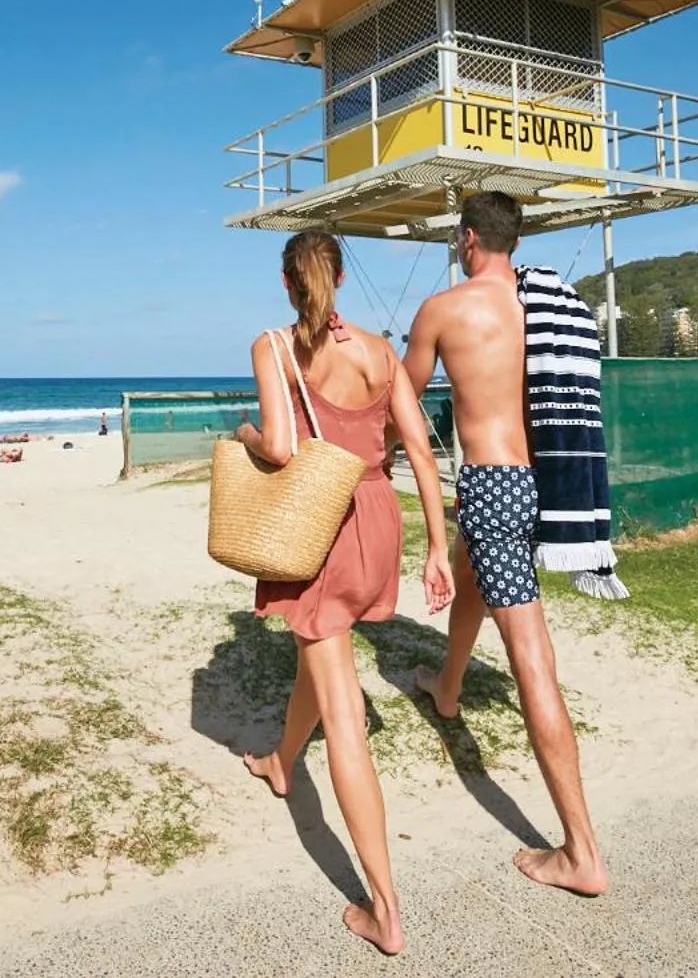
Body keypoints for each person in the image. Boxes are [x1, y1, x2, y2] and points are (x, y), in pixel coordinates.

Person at [237, 229, 453, 956]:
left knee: (346, 712)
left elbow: (279, 446)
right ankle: (278, 760)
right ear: (337, 278)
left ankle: (384, 908)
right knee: (318, 648)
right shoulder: (379, 351)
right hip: (379, 519)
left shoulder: (273, 345)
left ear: (286, 279)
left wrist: (242, 432)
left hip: (321, 525)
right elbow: (420, 449)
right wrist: (435, 551)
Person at [401, 190, 610, 899]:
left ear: (467, 239)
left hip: (488, 485)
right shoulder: (542, 307)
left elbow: (402, 400)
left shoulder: (444, 309)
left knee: (532, 662)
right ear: (512, 241)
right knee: (471, 571)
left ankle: (581, 852)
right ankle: (448, 688)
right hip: (537, 482)